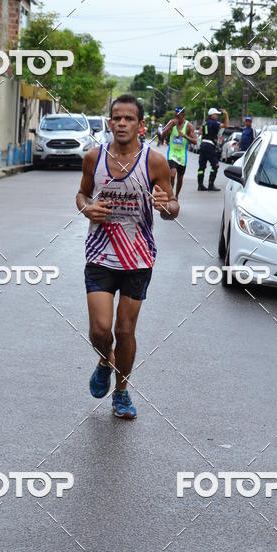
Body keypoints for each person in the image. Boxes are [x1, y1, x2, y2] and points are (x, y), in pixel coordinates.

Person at [76, 94, 180, 420]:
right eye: (116, 118)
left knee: (124, 331)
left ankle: (121, 392)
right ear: (109, 123)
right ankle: (104, 359)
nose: (121, 123)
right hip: (100, 253)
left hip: (138, 257)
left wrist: (166, 207)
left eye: (128, 118)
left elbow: (172, 207)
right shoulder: (94, 158)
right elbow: (81, 194)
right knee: (100, 330)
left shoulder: (155, 162)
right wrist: (86, 208)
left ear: (140, 124)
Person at [163, 106, 198, 197]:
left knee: (180, 178)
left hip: (182, 155)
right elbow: (162, 135)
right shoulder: (171, 122)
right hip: (172, 153)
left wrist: (185, 136)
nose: (176, 118)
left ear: (183, 115)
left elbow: (195, 142)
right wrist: (171, 126)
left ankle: (176, 196)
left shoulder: (189, 126)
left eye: (178, 116)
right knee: (172, 174)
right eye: (175, 115)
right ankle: (170, 196)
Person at [198, 107, 228, 191]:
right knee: (215, 165)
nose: (218, 116)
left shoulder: (205, 123)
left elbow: (200, 132)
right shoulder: (214, 123)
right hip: (209, 145)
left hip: (203, 144)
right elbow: (226, 125)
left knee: (202, 166)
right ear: (211, 115)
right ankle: (211, 185)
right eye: (216, 114)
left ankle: (200, 185)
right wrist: (226, 114)